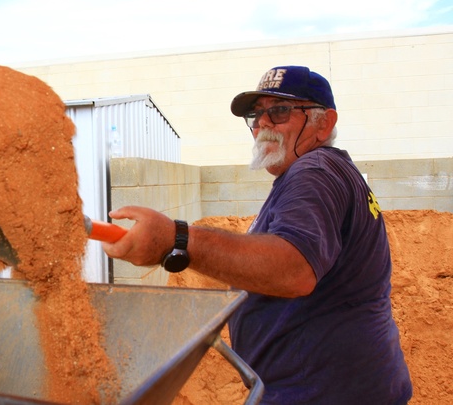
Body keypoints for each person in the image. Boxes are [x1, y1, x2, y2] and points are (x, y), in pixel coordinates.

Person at [102, 66, 412, 404]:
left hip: (325, 393)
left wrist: (176, 239)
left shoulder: (314, 172)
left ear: (324, 124)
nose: (263, 123)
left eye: (279, 111)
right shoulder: (319, 173)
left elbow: (293, 269)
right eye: (256, 115)